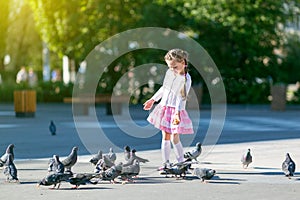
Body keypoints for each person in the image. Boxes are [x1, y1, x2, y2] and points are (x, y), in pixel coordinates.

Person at [143, 48, 194, 168]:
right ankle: (166, 163)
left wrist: (177, 113)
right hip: (164, 108)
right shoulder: (170, 73)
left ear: (183, 63)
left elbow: (181, 97)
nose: (172, 69)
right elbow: (164, 89)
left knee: (174, 137)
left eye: (175, 66)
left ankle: (181, 162)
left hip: (176, 110)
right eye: (170, 67)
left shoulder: (186, 79)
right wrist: (153, 99)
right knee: (165, 136)